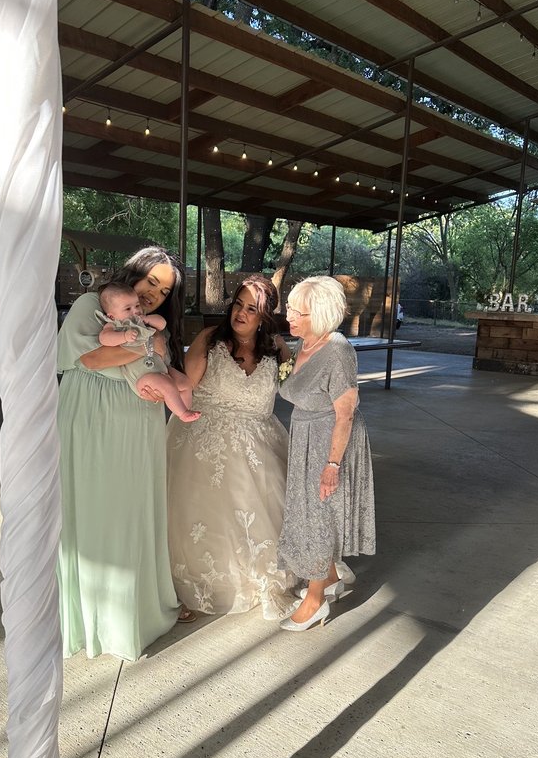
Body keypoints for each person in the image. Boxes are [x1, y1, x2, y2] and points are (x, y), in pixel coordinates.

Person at [56, 246, 194, 662]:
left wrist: (153, 346)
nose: (154, 294)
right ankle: (93, 618)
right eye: (151, 281)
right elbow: (93, 358)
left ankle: (139, 608)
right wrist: (149, 345)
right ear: (133, 273)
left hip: (139, 416)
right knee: (96, 507)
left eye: (164, 291)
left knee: (133, 508)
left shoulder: (152, 325)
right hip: (92, 411)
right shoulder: (91, 304)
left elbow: (164, 367)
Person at [166, 275, 297, 619]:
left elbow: (295, 388)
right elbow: (185, 386)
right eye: (238, 304)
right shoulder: (210, 339)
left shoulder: (276, 349)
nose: (241, 313)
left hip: (262, 442)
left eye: (251, 309)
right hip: (206, 442)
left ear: (265, 316)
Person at [277, 275, 375, 632]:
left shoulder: (337, 351)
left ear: (319, 315)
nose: (289, 316)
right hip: (304, 434)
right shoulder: (303, 344)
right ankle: (331, 576)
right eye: (289, 308)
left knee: (319, 515)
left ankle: (316, 599)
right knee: (308, 510)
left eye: (298, 312)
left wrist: (332, 464)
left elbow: (345, 412)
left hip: (329, 439)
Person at [96, 280, 200, 422]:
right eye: (128, 309)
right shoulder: (114, 325)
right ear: (111, 316)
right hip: (143, 376)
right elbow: (104, 339)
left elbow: (162, 324)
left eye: (137, 305)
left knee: (185, 383)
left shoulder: (143, 319)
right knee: (167, 385)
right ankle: (183, 413)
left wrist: (147, 319)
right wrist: (123, 336)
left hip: (161, 367)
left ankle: (183, 412)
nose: (135, 311)